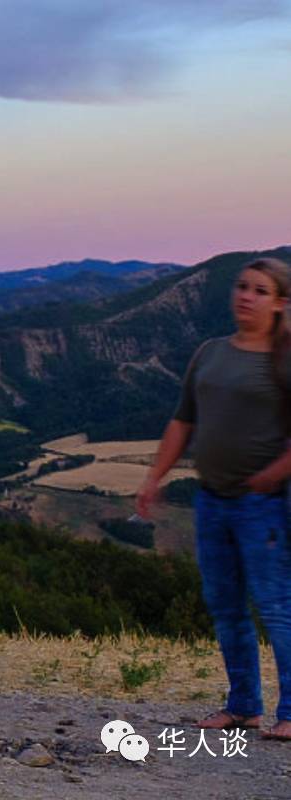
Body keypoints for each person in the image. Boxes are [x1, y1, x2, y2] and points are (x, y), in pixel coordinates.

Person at [137, 257, 291, 741]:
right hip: (212, 501)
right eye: (242, 286)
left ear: (281, 302)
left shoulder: (284, 358)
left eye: (260, 290)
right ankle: (244, 707)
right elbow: (183, 421)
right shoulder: (209, 352)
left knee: (275, 606)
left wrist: (273, 475)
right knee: (225, 606)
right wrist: (154, 477)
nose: (246, 295)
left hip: (262, 505)